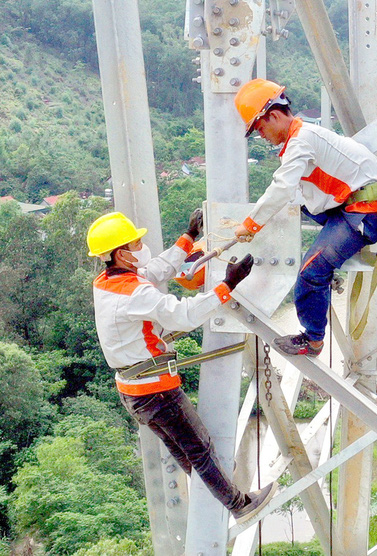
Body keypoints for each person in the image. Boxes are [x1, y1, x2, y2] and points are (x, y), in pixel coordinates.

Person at [87, 209, 274, 522]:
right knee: (200, 449)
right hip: (156, 392)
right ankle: (239, 505)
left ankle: (215, 489)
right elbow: (184, 314)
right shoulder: (134, 293)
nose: (140, 247)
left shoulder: (108, 282)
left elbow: (157, 270)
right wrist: (226, 286)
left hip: (134, 392)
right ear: (121, 253)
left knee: (185, 451)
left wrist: (189, 237)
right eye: (135, 244)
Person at [232, 78, 377, 357]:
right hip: (356, 204)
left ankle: (313, 340)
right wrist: (263, 216)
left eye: (261, 128)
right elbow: (297, 193)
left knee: (310, 272)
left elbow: (282, 187)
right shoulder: (304, 137)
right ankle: (325, 267)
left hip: (365, 213)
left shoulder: (301, 142)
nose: (262, 135)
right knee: (296, 205)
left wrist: (251, 224)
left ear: (273, 116)